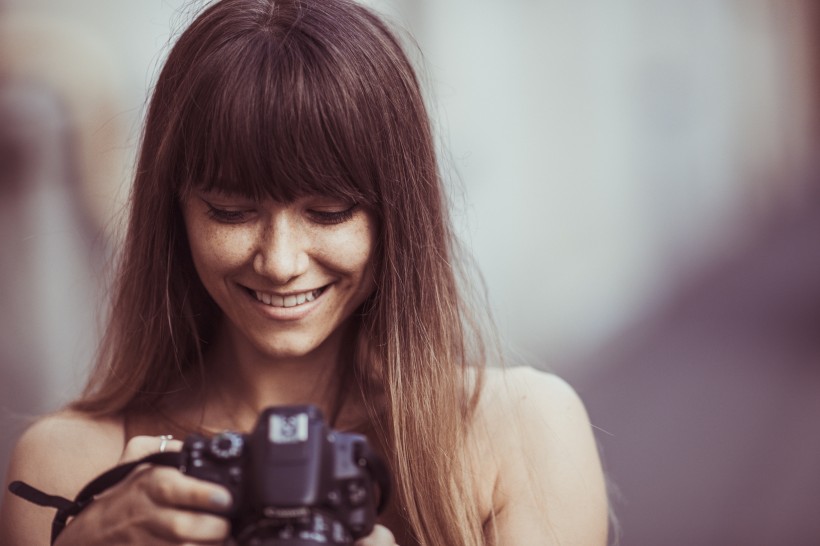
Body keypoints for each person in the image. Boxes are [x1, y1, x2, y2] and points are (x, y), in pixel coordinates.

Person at [0, 0, 608, 544]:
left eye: (329, 212)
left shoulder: (521, 437)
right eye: (231, 212)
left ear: (397, 215)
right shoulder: (70, 467)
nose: (281, 262)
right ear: (174, 211)